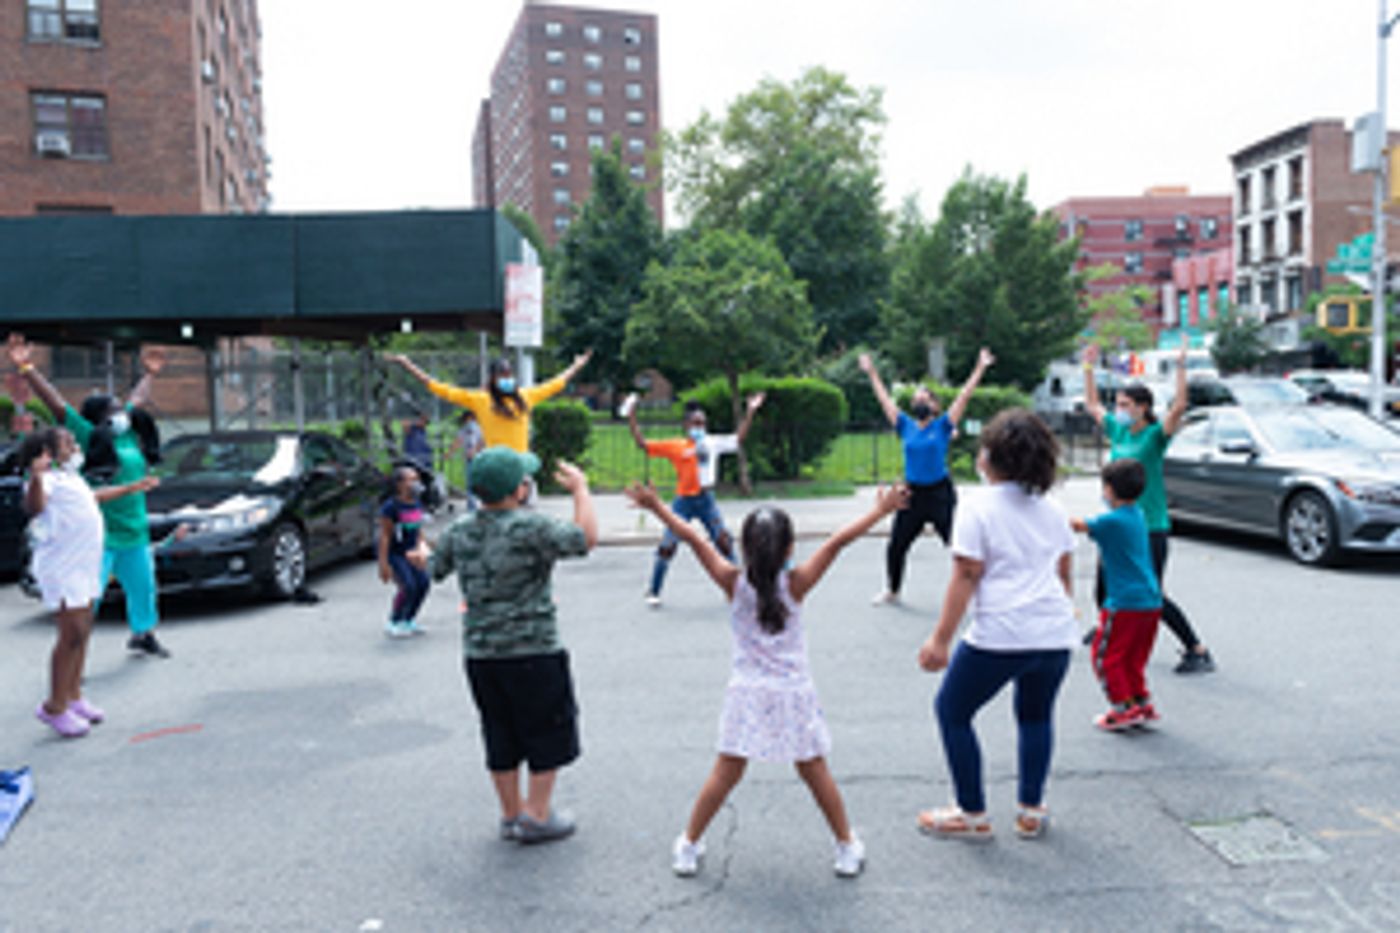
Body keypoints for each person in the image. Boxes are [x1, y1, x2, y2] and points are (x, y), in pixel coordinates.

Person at [625, 481, 910, 879]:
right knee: (814, 771)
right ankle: (846, 845)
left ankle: (688, 845)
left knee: (725, 773)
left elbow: (691, 536)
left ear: (744, 549)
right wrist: (881, 512)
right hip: (793, 691)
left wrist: (656, 506)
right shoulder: (798, 582)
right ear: (790, 549)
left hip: (747, 691)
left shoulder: (731, 580)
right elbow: (837, 541)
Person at [413, 447, 597, 844]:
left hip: (482, 654)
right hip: (534, 650)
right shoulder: (531, 527)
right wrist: (580, 490)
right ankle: (537, 814)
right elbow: (584, 539)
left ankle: (511, 814)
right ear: (519, 489)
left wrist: (419, 555)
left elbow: (434, 569)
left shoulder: (460, 530)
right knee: (547, 728)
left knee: (499, 730)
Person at [917, 409, 1076, 841]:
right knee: (1035, 715)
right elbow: (1064, 573)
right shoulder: (1053, 508)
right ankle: (1031, 810)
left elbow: (966, 574)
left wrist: (940, 639)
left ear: (990, 457)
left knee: (952, 711)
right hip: (1055, 633)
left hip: (1002, 633)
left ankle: (971, 813)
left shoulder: (976, 506)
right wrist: (1063, 617)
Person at [7, 334, 171, 658]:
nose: (120, 413)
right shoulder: (86, 433)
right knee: (88, 598)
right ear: (98, 417)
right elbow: (54, 401)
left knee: (143, 588)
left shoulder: (123, 434)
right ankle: (74, 650)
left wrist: (149, 374)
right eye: (112, 409)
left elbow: (135, 400)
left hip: (134, 529)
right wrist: (26, 367)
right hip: (99, 533)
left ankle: (143, 633)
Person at [1083, 344, 1214, 674]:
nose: (1120, 409)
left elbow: (1180, 405)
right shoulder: (1118, 429)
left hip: (1149, 525)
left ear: (1143, 408)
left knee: (1152, 592)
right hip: (1116, 522)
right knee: (1102, 586)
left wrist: (1181, 367)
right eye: (1119, 404)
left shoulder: (1155, 436)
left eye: (1126, 405)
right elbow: (1092, 405)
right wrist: (1087, 368)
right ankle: (1107, 630)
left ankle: (1196, 649)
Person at [21, 428, 154, 737]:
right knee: (71, 634)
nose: (76, 446)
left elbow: (92, 497)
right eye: (68, 443)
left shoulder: (71, 477)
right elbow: (35, 508)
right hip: (62, 568)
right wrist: (38, 475)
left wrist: (132, 487)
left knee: (83, 632)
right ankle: (54, 707)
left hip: (83, 565)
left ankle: (74, 697)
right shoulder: (46, 480)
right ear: (48, 453)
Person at [859, 348, 996, 606]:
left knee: (959, 545)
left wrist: (980, 367)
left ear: (934, 405)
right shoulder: (905, 425)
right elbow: (884, 400)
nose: (920, 403)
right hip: (911, 495)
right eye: (917, 400)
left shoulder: (943, 425)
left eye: (925, 399)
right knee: (896, 545)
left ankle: (982, 591)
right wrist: (872, 372)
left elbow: (964, 396)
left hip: (940, 494)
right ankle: (892, 590)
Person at [626, 393, 765, 607]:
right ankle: (654, 590)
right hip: (683, 502)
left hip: (706, 500)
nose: (700, 427)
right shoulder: (677, 446)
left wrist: (750, 412)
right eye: (696, 423)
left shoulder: (712, 443)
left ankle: (740, 587)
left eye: (703, 423)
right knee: (668, 544)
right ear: (687, 425)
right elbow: (643, 444)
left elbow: (738, 439)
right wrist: (632, 416)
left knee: (723, 542)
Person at [1070, 459, 1163, 732]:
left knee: (1105, 655)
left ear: (1109, 489)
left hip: (1124, 603)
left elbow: (1076, 524)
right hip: (1151, 601)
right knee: (1132, 658)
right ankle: (1140, 701)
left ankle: (1122, 708)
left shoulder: (1111, 521)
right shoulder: (1137, 514)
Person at [386, 351, 592, 453]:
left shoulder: (525, 397)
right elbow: (438, 387)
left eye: (509, 374)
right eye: (502, 375)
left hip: (520, 467)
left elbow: (556, 383)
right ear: (492, 378)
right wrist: (407, 364)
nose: (507, 378)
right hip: (496, 466)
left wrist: (577, 366)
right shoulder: (480, 400)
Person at [378, 465, 430, 639]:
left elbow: (418, 529)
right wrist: (384, 564)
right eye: (411, 480)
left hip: (412, 552)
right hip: (397, 554)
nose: (416, 483)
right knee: (408, 585)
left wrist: (423, 548)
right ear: (400, 484)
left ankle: (409, 619)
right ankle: (394, 620)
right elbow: (385, 536)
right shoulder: (391, 507)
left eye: (417, 479)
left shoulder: (416, 503)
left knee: (423, 583)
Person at [448, 410, 484, 510]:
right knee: (473, 483)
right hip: (474, 458)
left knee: (472, 483)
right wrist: (450, 453)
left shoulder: (474, 427)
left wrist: (474, 451)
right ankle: (472, 506)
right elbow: (459, 441)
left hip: (476, 458)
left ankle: (473, 507)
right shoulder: (470, 427)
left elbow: (481, 441)